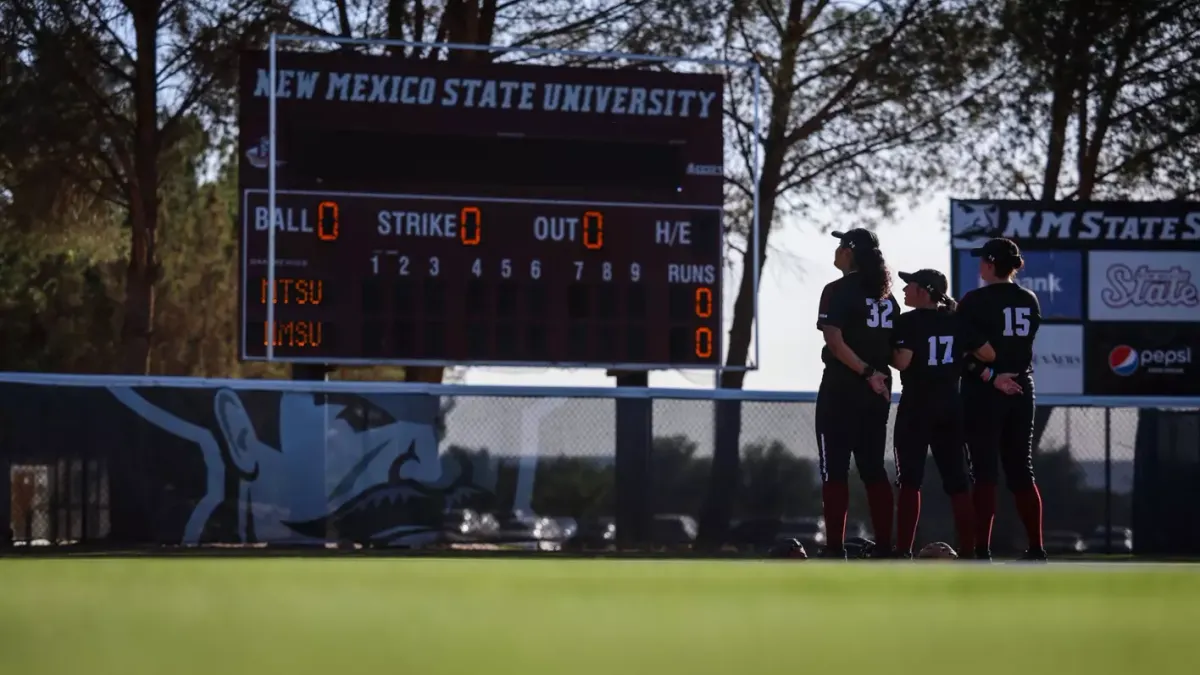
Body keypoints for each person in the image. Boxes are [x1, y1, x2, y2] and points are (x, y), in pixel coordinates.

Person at [956, 238, 1047, 561]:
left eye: (983, 260)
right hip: (1021, 387)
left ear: (991, 264)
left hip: (986, 390)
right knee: (1021, 469)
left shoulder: (974, 301)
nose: (979, 265)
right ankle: (1036, 548)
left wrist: (993, 376)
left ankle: (982, 549)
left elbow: (970, 351)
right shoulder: (1029, 299)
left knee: (984, 472)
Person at [814, 228, 899, 558]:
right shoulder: (887, 297)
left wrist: (864, 371)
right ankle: (884, 547)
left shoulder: (836, 290)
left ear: (850, 251)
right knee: (873, 469)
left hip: (842, 388)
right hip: (878, 390)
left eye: (839, 246)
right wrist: (877, 377)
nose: (835, 252)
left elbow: (834, 342)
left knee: (834, 470)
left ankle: (835, 548)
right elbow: (894, 351)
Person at [889, 269, 979, 559]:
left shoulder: (908, 322)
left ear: (924, 291)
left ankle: (903, 549)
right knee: (957, 481)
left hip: (917, 406)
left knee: (910, 480)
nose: (904, 291)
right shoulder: (957, 320)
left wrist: (882, 351)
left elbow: (903, 362)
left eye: (909, 286)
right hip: (951, 405)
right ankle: (970, 550)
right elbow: (986, 353)